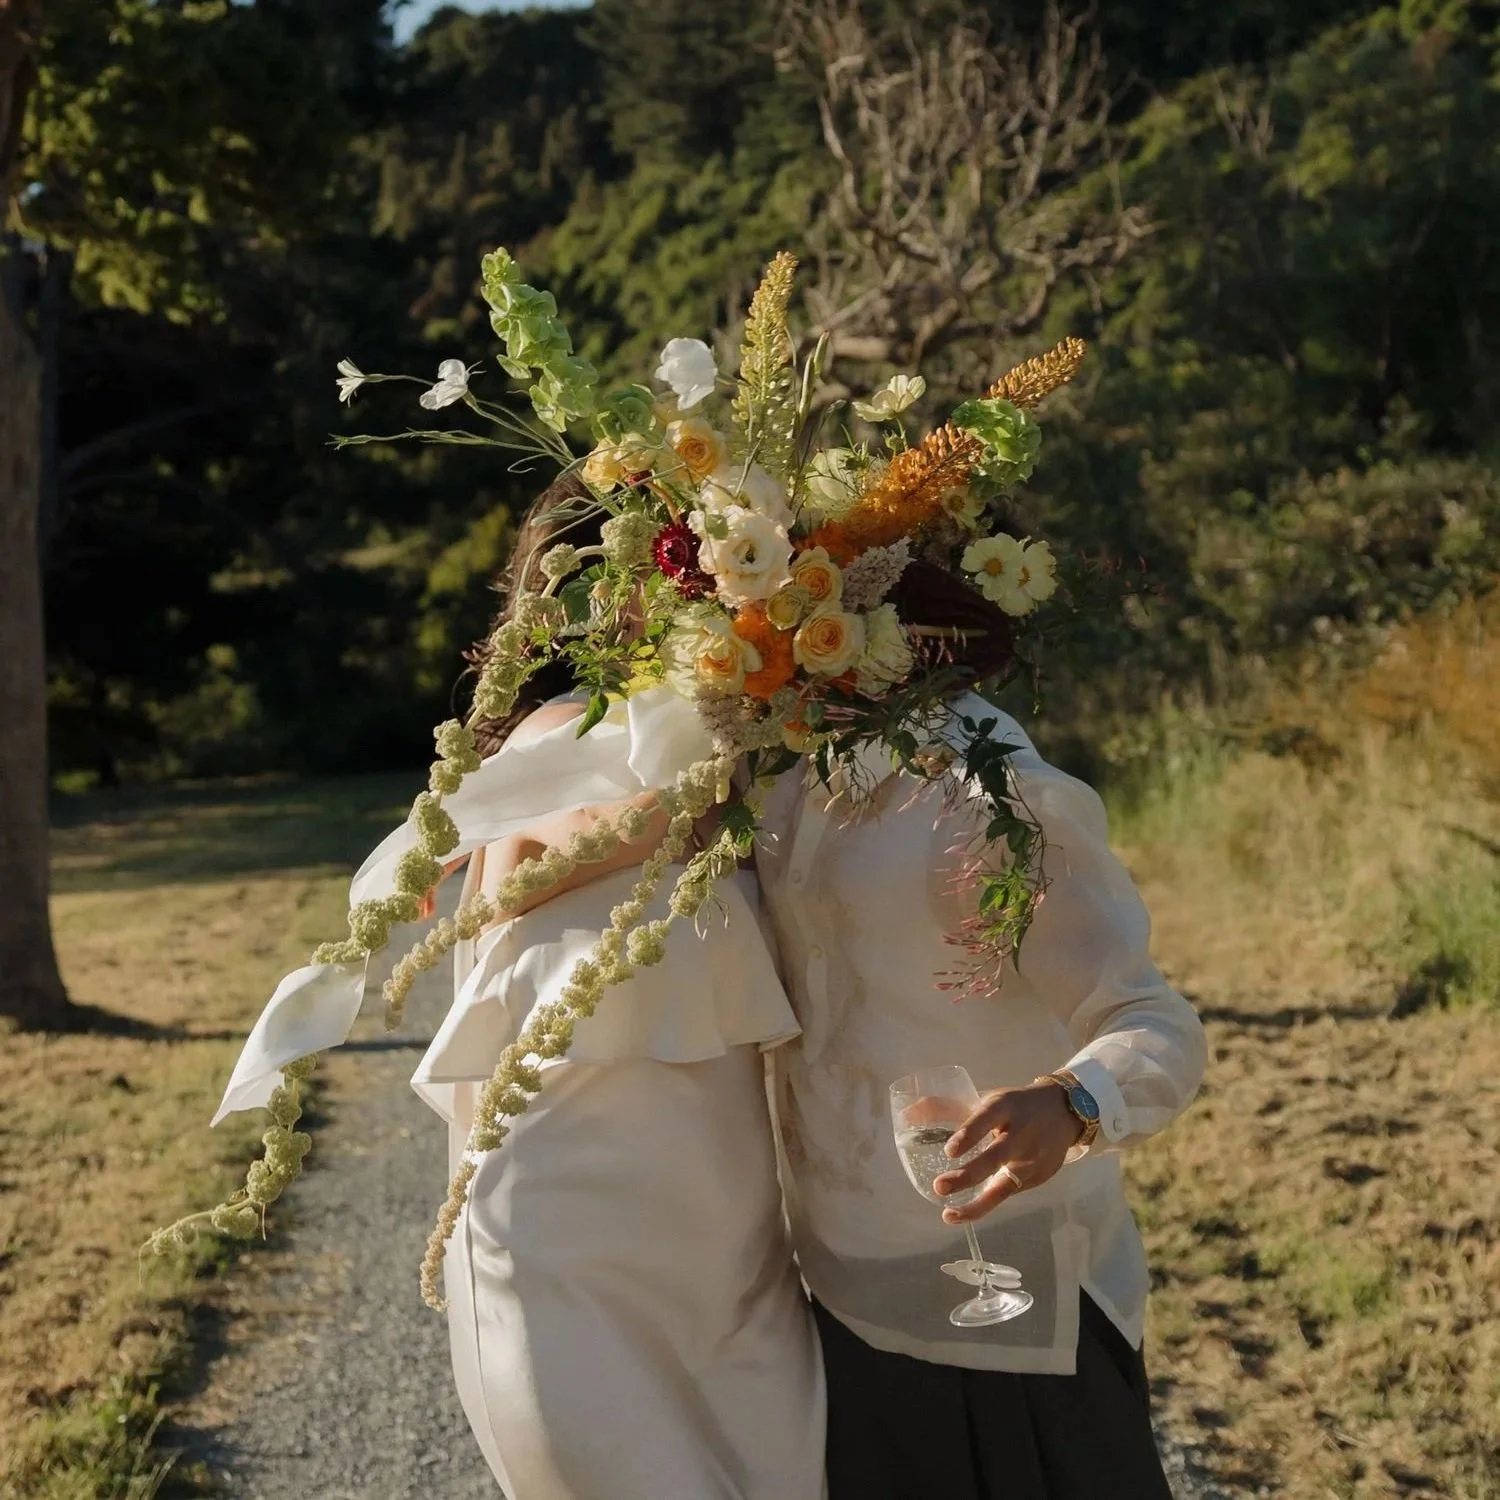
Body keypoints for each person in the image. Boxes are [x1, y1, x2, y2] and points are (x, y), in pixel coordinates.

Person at [406, 476, 826, 1500]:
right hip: (564, 1234)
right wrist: (732, 738)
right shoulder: (551, 740)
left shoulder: (751, 755)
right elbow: (568, 851)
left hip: (726, 1241)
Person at [754, 612, 1207, 1497]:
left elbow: (1156, 1018)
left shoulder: (990, 794)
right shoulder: (787, 766)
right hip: (841, 1300)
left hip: (1012, 1322)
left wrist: (1073, 1102)